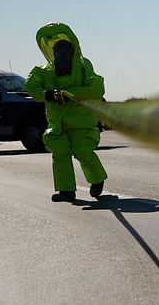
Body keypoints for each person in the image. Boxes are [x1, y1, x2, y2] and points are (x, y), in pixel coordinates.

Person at [24, 23, 108, 202]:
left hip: (81, 123)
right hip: (58, 124)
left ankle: (97, 179)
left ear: (73, 50)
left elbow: (97, 87)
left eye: (65, 50)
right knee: (60, 152)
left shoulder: (85, 68)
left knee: (83, 151)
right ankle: (66, 191)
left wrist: (72, 94)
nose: (61, 54)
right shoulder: (45, 72)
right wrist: (49, 94)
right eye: (57, 50)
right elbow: (31, 86)